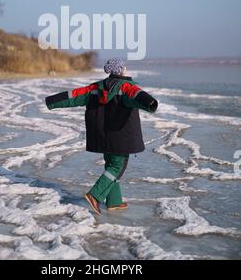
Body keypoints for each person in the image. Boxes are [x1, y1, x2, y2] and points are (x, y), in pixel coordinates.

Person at [45, 58, 158, 215]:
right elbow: (137, 95)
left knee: (110, 165)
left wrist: (52, 101)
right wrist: (151, 103)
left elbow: (74, 95)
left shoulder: (95, 88)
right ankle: (95, 195)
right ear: (122, 70)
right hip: (120, 137)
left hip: (103, 136)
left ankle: (114, 201)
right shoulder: (126, 87)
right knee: (117, 167)